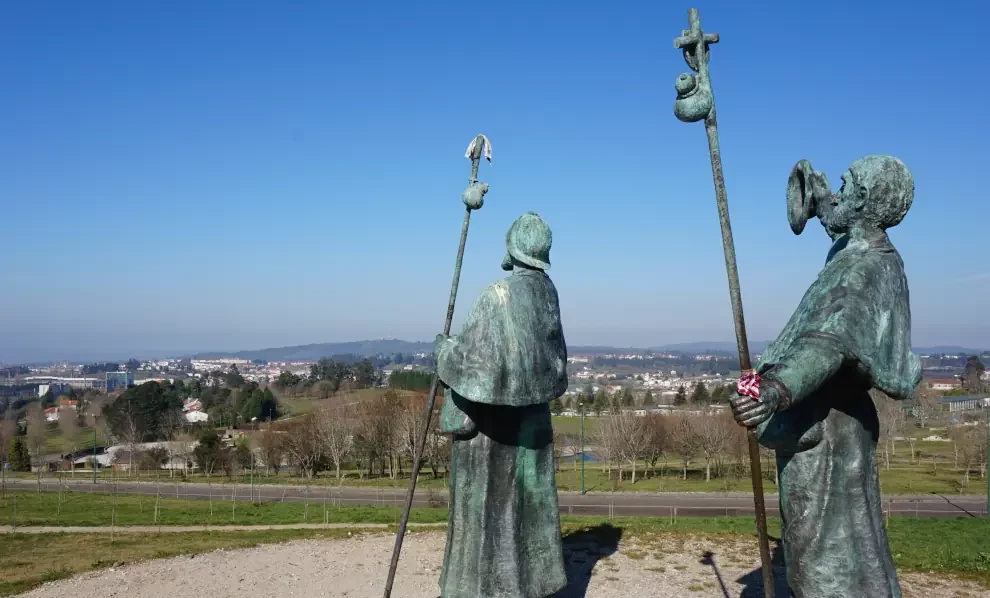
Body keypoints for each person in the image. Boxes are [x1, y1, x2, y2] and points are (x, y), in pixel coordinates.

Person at [730, 155, 922, 598]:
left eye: (845, 183)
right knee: (855, 546)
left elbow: (827, 341)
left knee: (817, 554)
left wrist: (774, 390)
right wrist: (819, 207)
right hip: (843, 420)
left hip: (826, 424)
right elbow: (842, 225)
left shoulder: (861, 270)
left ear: (863, 198)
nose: (837, 190)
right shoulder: (870, 250)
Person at [434, 211, 568, 598]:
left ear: (512, 249)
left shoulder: (498, 295)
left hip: (489, 432)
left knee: (486, 519)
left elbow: (469, 366)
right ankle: (527, 586)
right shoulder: (548, 293)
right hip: (532, 424)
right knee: (524, 514)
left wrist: (443, 350)